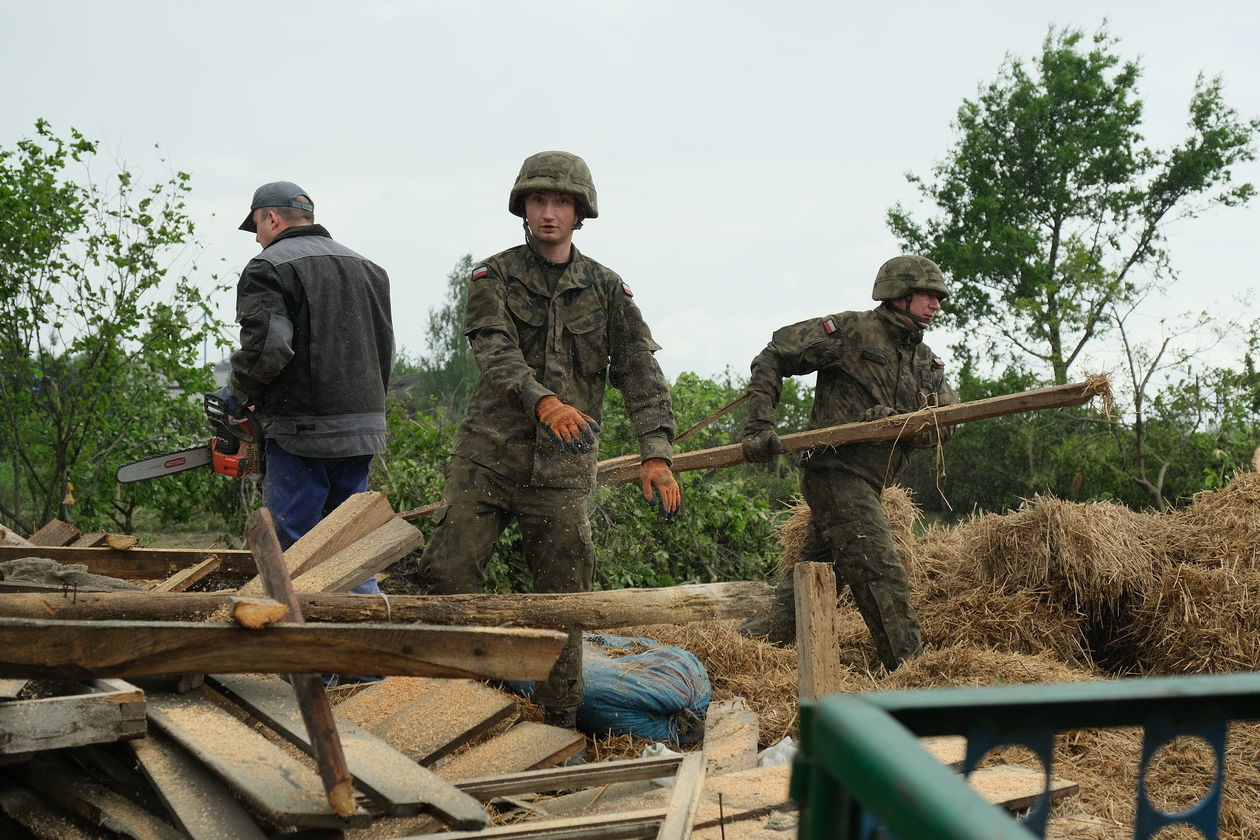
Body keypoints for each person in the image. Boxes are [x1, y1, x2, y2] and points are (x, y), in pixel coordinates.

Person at [418, 151, 681, 729]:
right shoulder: (495, 277)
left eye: (561, 201)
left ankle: (559, 723)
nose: (549, 212)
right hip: (487, 458)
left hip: (561, 476)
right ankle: (452, 707)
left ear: (580, 212)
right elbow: (494, 351)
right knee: (446, 579)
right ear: (523, 208)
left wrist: (657, 453)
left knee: (565, 605)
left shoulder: (608, 289)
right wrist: (544, 401)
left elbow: (639, 371)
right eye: (538, 200)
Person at [737, 255, 957, 671]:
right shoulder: (852, 331)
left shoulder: (928, 363)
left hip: (872, 485)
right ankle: (912, 676)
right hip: (835, 474)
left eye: (938, 297)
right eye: (927, 295)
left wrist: (902, 427)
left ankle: (736, 653)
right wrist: (760, 423)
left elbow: (946, 425)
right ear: (899, 293)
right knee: (881, 573)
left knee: (797, 601)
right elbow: (774, 355)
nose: (936, 305)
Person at [226, 180, 395, 596]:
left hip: (302, 432)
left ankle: (300, 653)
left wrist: (239, 393)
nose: (260, 239)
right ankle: (362, 647)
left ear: (271, 218)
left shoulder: (268, 267)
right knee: (348, 548)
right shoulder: (370, 268)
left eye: (259, 228)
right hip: (361, 429)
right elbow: (385, 352)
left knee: (295, 550)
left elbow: (269, 346)